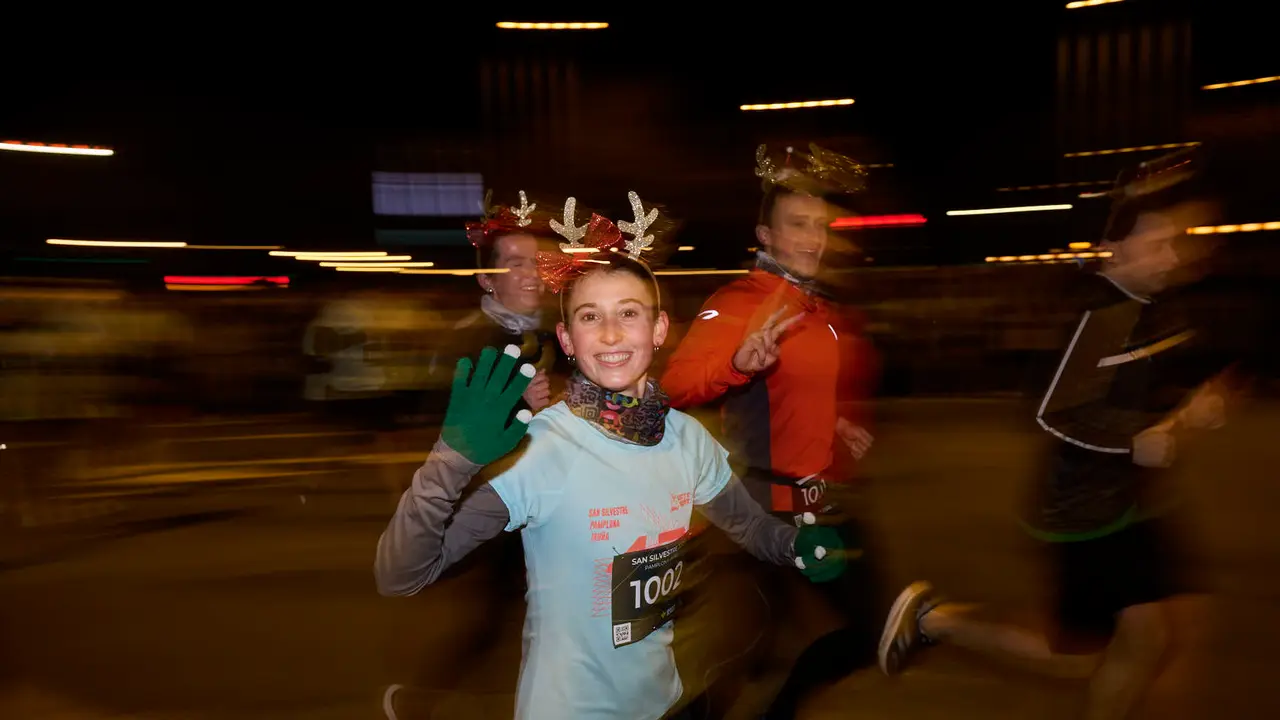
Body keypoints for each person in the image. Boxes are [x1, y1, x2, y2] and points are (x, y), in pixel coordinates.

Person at [375, 192, 851, 720]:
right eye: (589, 316)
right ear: (567, 338)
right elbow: (401, 575)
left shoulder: (688, 440)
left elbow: (751, 529)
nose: (610, 334)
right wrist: (454, 457)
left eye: (629, 313)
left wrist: (795, 545)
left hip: (663, 704)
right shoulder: (543, 451)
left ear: (660, 329)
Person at [881, 148, 1235, 720]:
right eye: (1158, 241)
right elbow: (1052, 410)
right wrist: (1138, 437)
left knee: (1161, 632)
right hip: (1082, 514)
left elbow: (1132, 397)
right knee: (1071, 651)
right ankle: (933, 618)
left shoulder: (1147, 307)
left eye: (1178, 240)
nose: (1173, 254)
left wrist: (1190, 413)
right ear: (1117, 247)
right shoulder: (1104, 314)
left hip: (1127, 504)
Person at [660, 145, 882, 719]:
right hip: (775, 509)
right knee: (871, 630)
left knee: (754, 651)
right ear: (766, 234)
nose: (815, 238)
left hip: (816, 500)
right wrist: (735, 360)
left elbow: (790, 390)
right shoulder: (738, 302)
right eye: (798, 225)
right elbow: (677, 385)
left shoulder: (818, 307)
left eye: (821, 226)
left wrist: (831, 422)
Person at [382, 190, 567, 718]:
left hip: (533, 504)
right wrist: (514, 411)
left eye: (536, 260)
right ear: (487, 280)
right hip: (488, 505)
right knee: (514, 616)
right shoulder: (472, 342)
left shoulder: (548, 336)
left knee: (511, 618)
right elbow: (446, 432)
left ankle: (421, 701)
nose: (531, 272)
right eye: (514, 263)